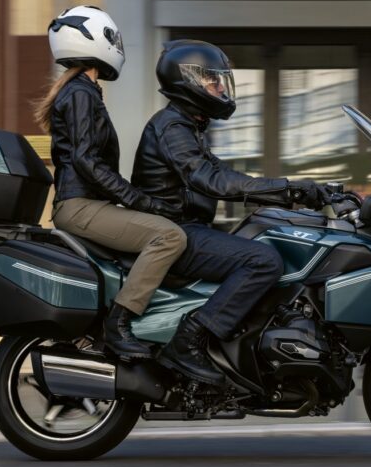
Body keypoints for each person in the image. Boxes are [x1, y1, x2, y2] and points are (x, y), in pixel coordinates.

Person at [131, 40, 330, 382]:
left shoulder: (187, 126)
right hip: (177, 232)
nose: (221, 87)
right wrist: (290, 188)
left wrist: (302, 192)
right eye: (213, 81)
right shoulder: (172, 127)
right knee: (263, 260)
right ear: (188, 81)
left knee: (269, 239)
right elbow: (211, 180)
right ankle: (190, 339)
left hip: (189, 229)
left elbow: (229, 177)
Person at [36, 5, 192, 372]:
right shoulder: (80, 93)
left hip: (84, 203)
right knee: (168, 238)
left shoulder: (83, 90)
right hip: (79, 206)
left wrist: (138, 200)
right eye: (113, 38)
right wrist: (139, 200)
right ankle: (119, 323)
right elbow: (87, 162)